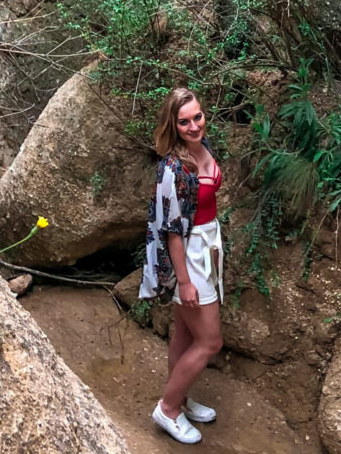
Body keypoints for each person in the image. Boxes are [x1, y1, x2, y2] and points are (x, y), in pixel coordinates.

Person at [139, 87, 224, 444]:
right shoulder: (173, 168)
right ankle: (168, 409)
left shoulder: (203, 147)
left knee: (185, 333)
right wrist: (185, 282)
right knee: (209, 342)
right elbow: (172, 232)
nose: (194, 126)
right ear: (173, 125)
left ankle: (182, 400)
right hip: (188, 255)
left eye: (198, 117)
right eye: (184, 121)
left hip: (208, 246)